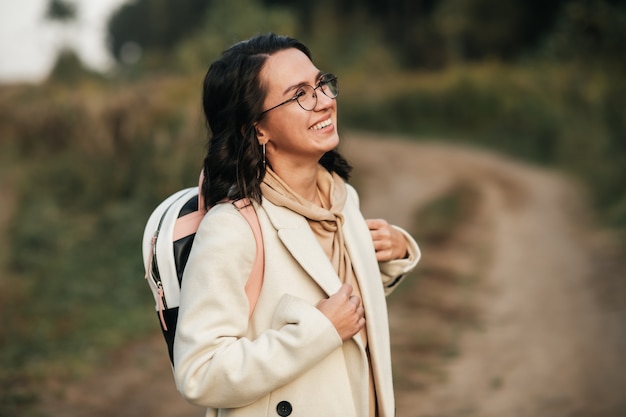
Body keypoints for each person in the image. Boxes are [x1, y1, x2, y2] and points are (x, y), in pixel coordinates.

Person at [174, 33, 420, 417]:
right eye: (300, 94)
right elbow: (199, 372)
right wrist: (317, 332)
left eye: (322, 84)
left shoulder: (341, 200)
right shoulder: (232, 228)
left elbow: (340, 301)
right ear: (255, 128)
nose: (324, 102)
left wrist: (395, 253)